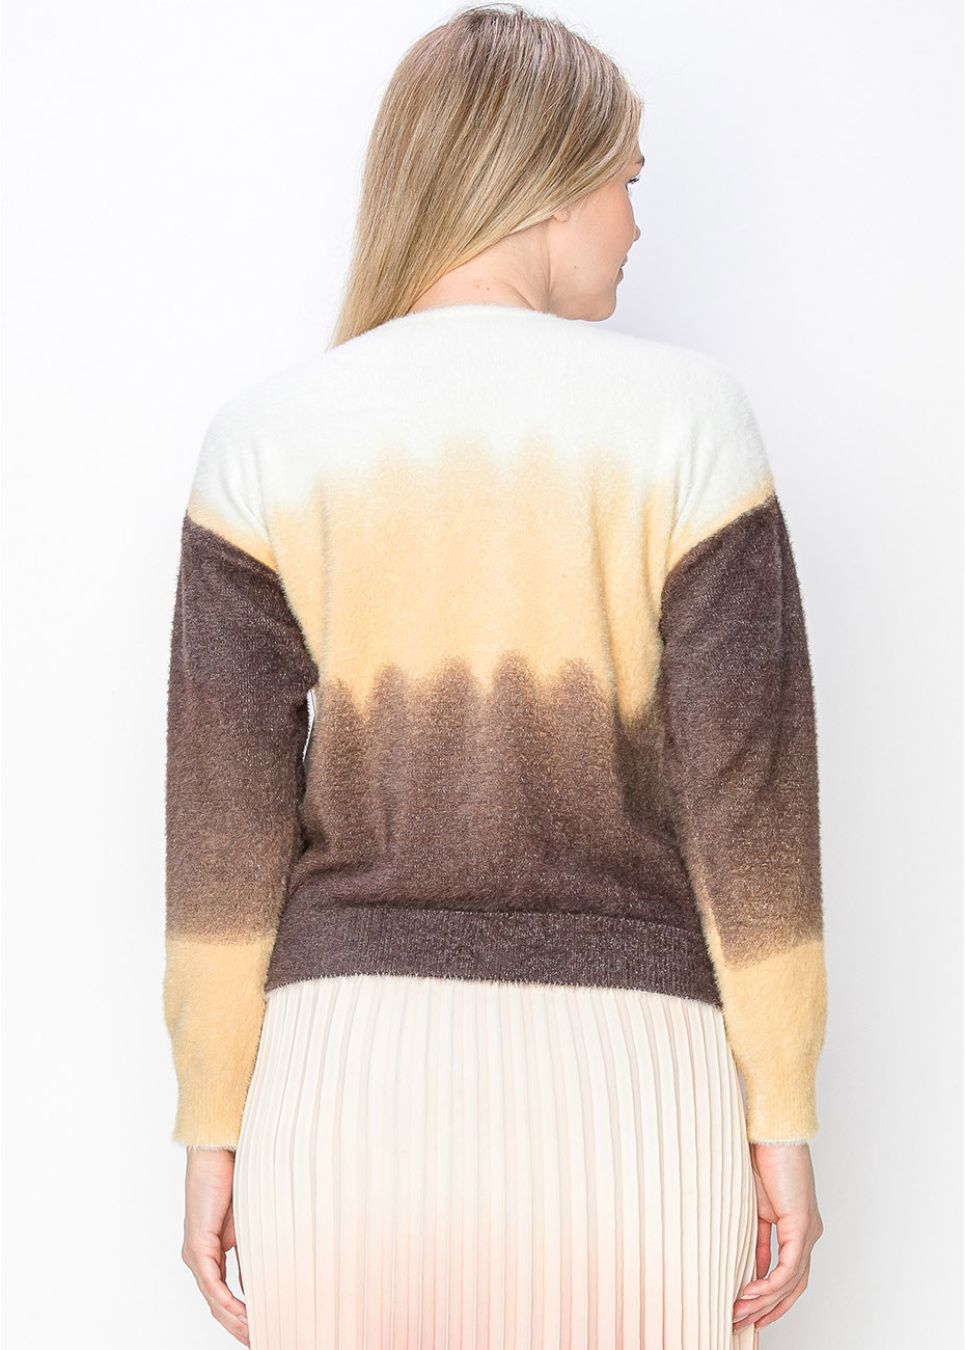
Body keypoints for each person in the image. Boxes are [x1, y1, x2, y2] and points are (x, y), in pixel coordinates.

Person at [163, 5, 828, 1347]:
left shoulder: (266, 440)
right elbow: (751, 809)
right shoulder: (688, 421)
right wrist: (782, 1114)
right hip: (632, 1088)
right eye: (626, 180)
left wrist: (213, 1122)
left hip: (345, 1095)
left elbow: (223, 835)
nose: (635, 225)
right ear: (546, 179)